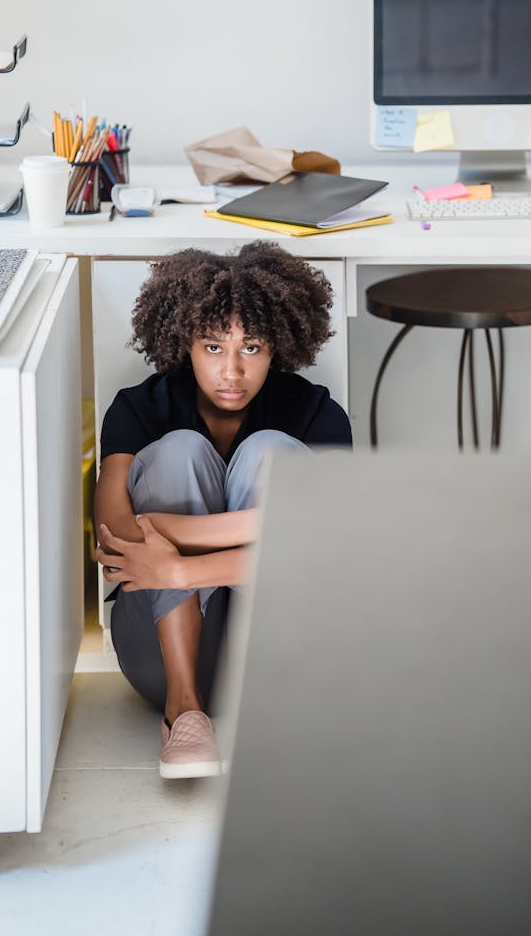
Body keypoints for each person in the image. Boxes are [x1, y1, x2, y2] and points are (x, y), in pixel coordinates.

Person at [94, 243, 351, 779]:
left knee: (269, 453)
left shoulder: (314, 411)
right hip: (159, 654)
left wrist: (178, 552)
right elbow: (116, 530)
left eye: (251, 347)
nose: (231, 370)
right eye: (213, 346)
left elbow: (332, 537)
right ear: (183, 342)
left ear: (277, 345)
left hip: (285, 656)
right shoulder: (140, 407)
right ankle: (184, 713)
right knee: (179, 451)